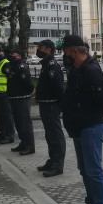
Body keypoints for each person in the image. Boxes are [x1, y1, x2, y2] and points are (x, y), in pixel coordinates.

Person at [61, 34, 103, 204]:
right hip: (79, 126)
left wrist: (82, 108)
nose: (65, 55)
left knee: (94, 170)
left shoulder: (91, 70)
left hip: (91, 125)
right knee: (85, 170)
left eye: (66, 51)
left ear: (74, 51)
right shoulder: (76, 68)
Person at [34, 40, 66, 176]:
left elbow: (59, 87)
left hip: (52, 104)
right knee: (49, 135)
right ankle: (52, 160)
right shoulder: (46, 64)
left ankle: (57, 164)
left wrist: (61, 105)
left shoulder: (52, 65)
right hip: (45, 103)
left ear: (48, 50)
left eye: (40, 47)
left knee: (55, 135)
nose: (38, 50)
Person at [7, 49, 35, 155]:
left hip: (22, 98)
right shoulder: (12, 66)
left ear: (18, 56)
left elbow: (27, 82)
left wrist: (30, 90)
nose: (10, 56)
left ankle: (29, 146)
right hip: (14, 98)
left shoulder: (21, 67)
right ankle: (23, 143)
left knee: (25, 123)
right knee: (18, 123)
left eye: (12, 55)